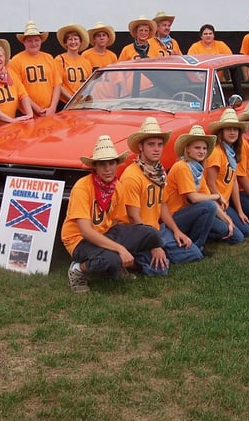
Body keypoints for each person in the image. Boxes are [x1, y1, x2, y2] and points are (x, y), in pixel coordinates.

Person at [61, 135, 161, 293]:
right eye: (102, 164)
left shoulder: (117, 186)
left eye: (111, 163)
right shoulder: (82, 187)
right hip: (78, 239)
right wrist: (120, 249)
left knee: (151, 233)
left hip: (105, 232)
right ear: (95, 166)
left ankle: (116, 263)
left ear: (117, 164)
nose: (108, 169)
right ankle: (77, 269)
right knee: (110, 259)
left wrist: (147, 243)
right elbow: (85, 231)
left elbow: (120, 221)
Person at [116, 117, 203, 274]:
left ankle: (161, 253)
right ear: (140, 147)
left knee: (194, 254)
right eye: (151, 144)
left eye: (160, 144)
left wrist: (177, 231)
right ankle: (133, 261)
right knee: (160, 271)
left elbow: (162, 205)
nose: (156, 149)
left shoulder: (159, 172)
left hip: (157, 229)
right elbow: (134, 217)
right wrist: (154, 245)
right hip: (136, 232)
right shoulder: (132, 176)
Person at [163, 125, 238, 248]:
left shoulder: (198, 169)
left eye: (204, 148)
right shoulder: (181, 166)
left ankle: (195, 233)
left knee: (232, 233)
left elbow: (208, 197)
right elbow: (194, 198)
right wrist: (217, 196)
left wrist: (227, 220)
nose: (202, 151)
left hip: (193, 212)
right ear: (187, 149)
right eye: (197, 147)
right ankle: (196, 246)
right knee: (208, 206)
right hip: (175, 217)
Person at [205, 108, 249, 240]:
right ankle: (205, 227)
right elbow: (210, 183)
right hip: (214, 203)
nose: (232, 132)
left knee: (246, 230)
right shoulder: (216, 152)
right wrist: (220, 201)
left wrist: (240, 211)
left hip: (224, 203)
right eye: (228, 129)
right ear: (221, 132)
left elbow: (233, 182)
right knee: (238, 238)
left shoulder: (232, 152)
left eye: (235, 129)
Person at [7, 20, 61, 116]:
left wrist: (52, 107)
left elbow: (57, 85)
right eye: (29, 40)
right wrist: (38, 109)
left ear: (41, 41)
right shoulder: (16, 60)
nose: (34, 43)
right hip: (26, 112)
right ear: (24, 42)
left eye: (36, 40)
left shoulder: (49, 58)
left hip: (49, 111)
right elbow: (19, 90)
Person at [54, 23, 93, 105]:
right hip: (65, 103)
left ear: (80, 42)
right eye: (70, 39)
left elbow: (89, 85)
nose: (73, 42)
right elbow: (58, 84)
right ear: (65, 43)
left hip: (82, 103)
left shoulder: (86, 62)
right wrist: (72, 99)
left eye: (76, 39)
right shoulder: (60, 59)